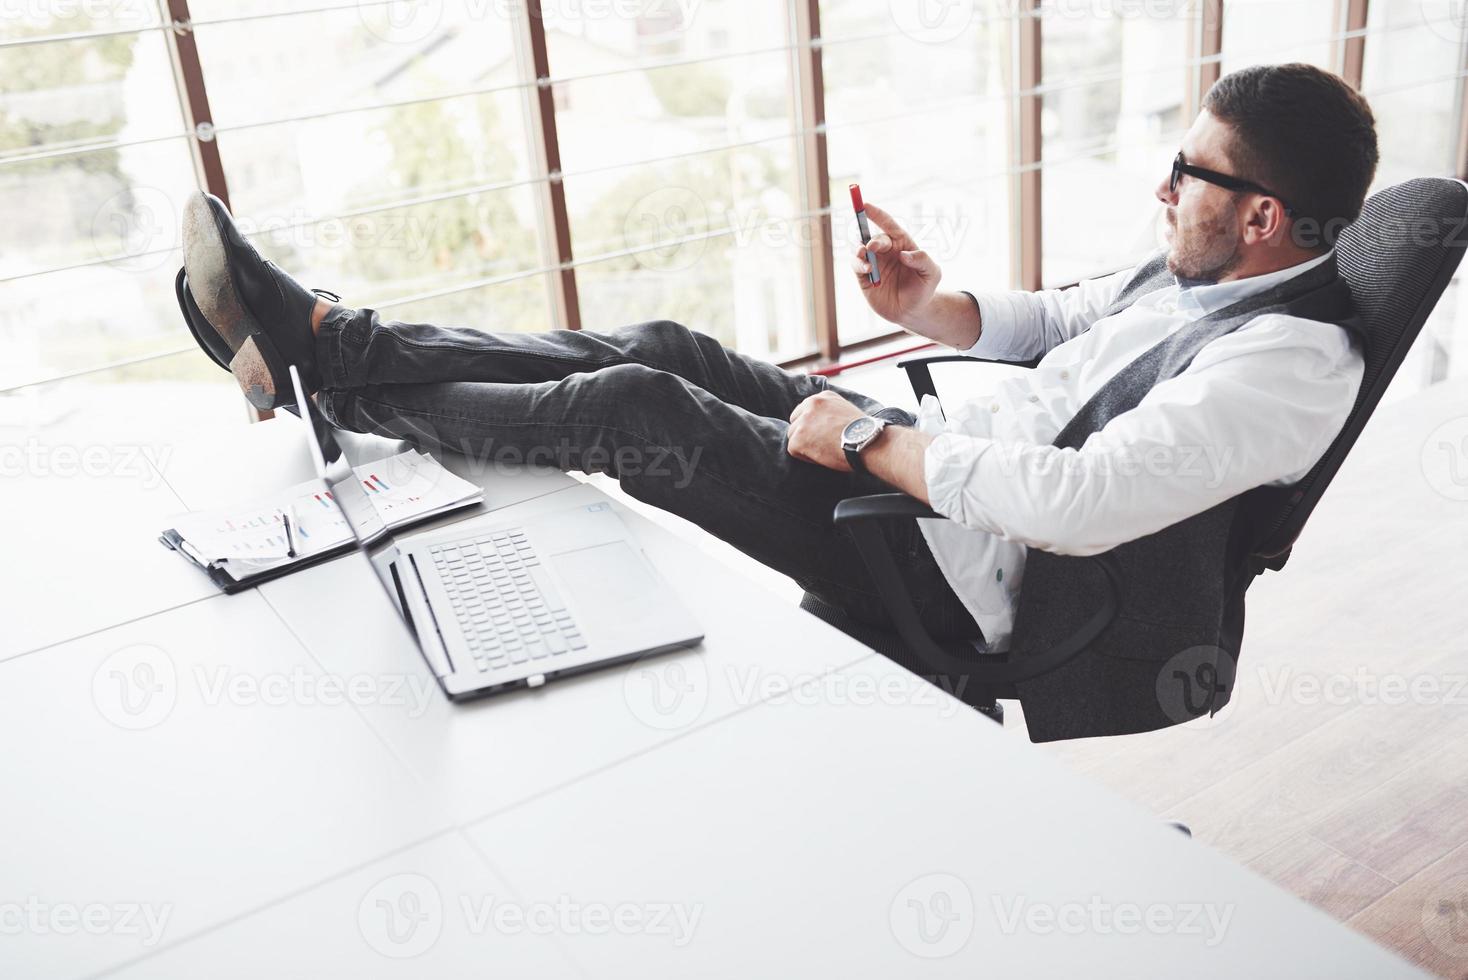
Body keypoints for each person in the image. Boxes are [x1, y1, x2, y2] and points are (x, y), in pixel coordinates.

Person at [174, 62, 1377, 655]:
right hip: (939, 465)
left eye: (1192, 174)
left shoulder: (1285, 370)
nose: (1163, 188)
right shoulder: (1204, 271)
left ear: (1264, 216)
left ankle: (318, 353)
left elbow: (1076, 504)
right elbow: (1069, 331)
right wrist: (935, 303)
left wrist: (865, 437)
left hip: (957, 553)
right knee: (664, 344)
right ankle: (329, 347)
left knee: (630, 401)